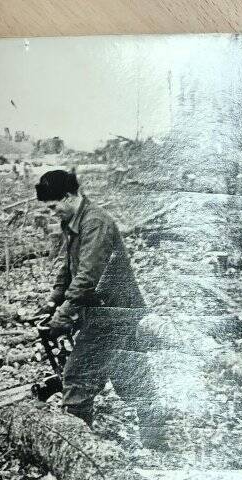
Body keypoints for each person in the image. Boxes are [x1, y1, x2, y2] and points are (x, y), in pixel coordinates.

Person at [35, 169, 157, 429]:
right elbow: (70, 268)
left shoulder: (95, 223)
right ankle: (156, 436)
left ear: (69, 197)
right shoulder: (74, 221)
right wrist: (52, 301)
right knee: (130, 374)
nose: (52, 213)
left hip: (114, 311)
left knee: (78, 377)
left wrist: (63, 315)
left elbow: (88, 277)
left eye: (54, 206)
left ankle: (78, 448)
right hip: (108, 309)